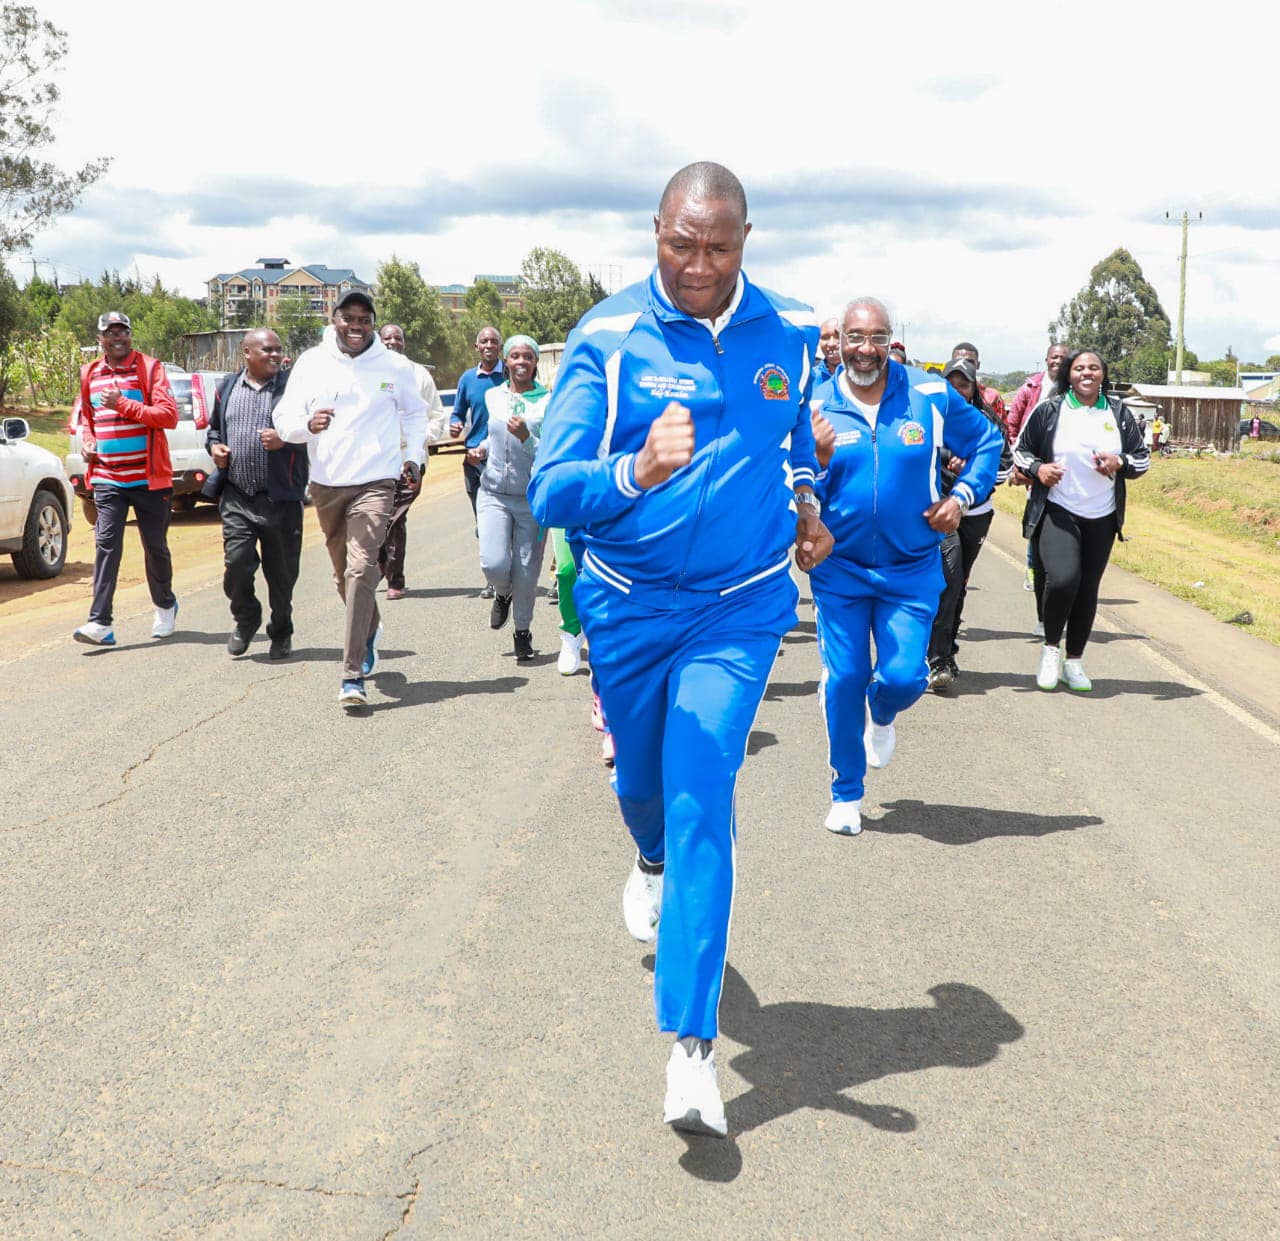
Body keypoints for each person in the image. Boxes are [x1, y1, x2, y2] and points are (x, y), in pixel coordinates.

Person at [528, 161, 831, 1139]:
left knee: (705, 787)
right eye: (679, 243)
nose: (697, 265)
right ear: (653, 230)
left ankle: (690, 1051)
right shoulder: (607, 337)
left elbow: (790, 438)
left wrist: (805, 502)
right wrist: (635, 465)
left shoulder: (787, 330)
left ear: (746, 238)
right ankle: (647, 857)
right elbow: (552, 490)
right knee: (643, 790)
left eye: (718, 246)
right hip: (626, 605)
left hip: (738, 608)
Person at [809, 299, 1002, 832]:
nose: (864, 349)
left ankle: (885, 709)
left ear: (889, 340)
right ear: (839, 341)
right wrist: (805, 520)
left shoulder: (929, 392)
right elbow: (790, 474)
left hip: (911, 566)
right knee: (843, 676)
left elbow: (987, 440)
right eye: (854, 337)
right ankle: (846, 793)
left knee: (904, 677)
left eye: (876, 337)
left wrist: (961, 496)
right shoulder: (815, 403)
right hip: (841, 569)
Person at [273, 290, 427, 707]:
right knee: (344, 576)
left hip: (377, 481)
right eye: (349, 319)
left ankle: (351, 673)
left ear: (373, 323)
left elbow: (414, 414)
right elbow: (283, 419)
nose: (357, 327)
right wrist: (307, 424)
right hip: (327, 485)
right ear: (335, 319)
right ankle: (369, 626)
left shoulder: (394, 366)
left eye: (365, 320)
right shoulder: (312, 363)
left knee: (362, 571)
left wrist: (414, 456)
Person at [1012, 349, 1149, 691]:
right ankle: (1049, 650)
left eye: (1093, 368)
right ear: (1068, 375)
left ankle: (1074, 662)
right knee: (1062, 579)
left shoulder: (1118, 413)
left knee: (1087, 589)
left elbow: (1142, 459)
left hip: (1102, 516)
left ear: (1103, 374)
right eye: (1079, 368)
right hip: (1058, 510)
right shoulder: (1052, 409)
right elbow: (1020, 449)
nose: (1086, 373)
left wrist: (1120, 462)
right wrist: (1038, 469)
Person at [72, 311, 180, 647]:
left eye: (124, 332)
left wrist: (124, 405)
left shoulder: (149, 369)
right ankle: (100, 622)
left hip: (149, 479)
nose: (118, 338)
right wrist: (88, 442)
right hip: (107, 477)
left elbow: (168, 416)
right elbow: (87, 419)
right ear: (100, 338)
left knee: (155, 547)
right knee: (106, 545)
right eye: (111, 333)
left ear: (130, 336)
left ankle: (165, 605)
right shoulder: (89, 374)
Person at [205, 328, 306, 659]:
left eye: (278, 349)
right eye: (267, 350)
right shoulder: (227, 387)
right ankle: (246, 618)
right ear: (246, 353)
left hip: (281, 498)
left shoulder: (293, 389)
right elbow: (214, 430)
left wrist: (285, 438)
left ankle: (281, 631)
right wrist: (214, 447)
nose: (275, 355)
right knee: (236, 565)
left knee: (282, 576)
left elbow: (313, 429)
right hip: (237, 496)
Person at [925, 357, 1013, 689]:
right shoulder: (931, 415)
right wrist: (948, 459)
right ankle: (936, 657)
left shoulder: (988, 422)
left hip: (974, 514)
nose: (957, 390)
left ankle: (945, 650)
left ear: (975, 388)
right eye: (952, 383)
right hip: (937, 512)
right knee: (947, 577)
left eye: (964, 384)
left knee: (958, 584)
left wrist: (973, 472)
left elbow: (1003, 466)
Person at [477, 335, 552, 662]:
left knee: (527, 572)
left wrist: (527, 439)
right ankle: (501, 593)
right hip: (493, 492)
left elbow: (550, 450)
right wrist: (480, 448)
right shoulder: (493, 396)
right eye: (515, 356)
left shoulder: (548, 401)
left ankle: (522, 632)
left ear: (535, 362)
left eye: (528, 357)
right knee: (493, 564)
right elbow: (492, 435)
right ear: (505, 361)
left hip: (530, 498)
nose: (521, 362)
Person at [376, 323, 447, 600]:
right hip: (376, 460)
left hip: (410, 459)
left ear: (404, 342)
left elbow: (437, 416)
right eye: (387, 338)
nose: (392, 342)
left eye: (397, 337)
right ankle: (382, 566)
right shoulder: (368, 373)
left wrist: (417, 441)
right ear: (378, 342)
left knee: (396, 516)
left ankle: (395, 579)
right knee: (379, 516)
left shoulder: (419, 375)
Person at [450, 325, 506, 598]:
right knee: (484, 522)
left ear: (500, 346)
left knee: (509, 520)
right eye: (483, 341)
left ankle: (511, 574)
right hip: (474, 460)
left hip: (507, 458)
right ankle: (493, 579)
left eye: (493, 341)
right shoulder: (467, 379)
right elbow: (457, 413)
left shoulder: (512, 374)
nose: (488, 345)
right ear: (476, 347)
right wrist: (455, 423)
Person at [950, 341, 1007, 423]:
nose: (963, 365)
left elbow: (1001, 431)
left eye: (969, 362)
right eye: (958, 362)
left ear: (978, 365)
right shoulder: (942, 394)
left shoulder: (992, 397)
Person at [814, 316, 840, 384]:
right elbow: (782, 389)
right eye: (825, 337)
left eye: (838, 336)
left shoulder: (865, 377)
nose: (831, 344)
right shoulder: (809, 377)